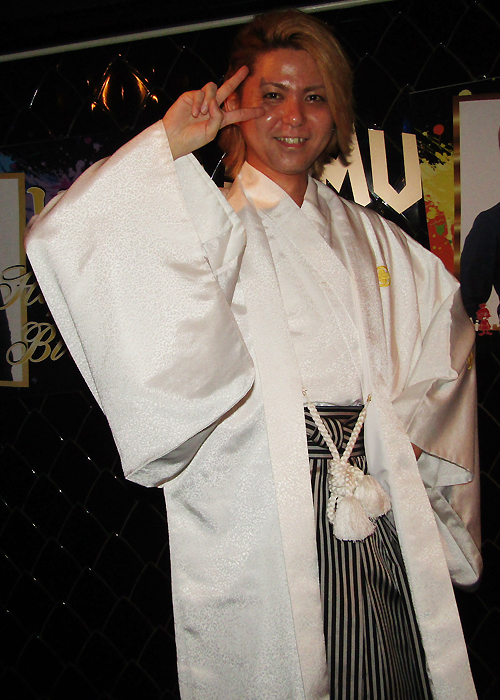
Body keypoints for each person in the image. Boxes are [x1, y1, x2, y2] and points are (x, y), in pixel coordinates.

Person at [25, 10, 481, 700]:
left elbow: (447, 328)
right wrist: (170, 141)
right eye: (272, 95)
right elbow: (67, 234)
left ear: (338, 112)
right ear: (238, 106)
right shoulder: (203, 229)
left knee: (389, 673)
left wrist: (413, 431)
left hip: (377, 494)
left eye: (315, 96)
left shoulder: (378, 242)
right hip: (264, 506)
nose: (294, 116)